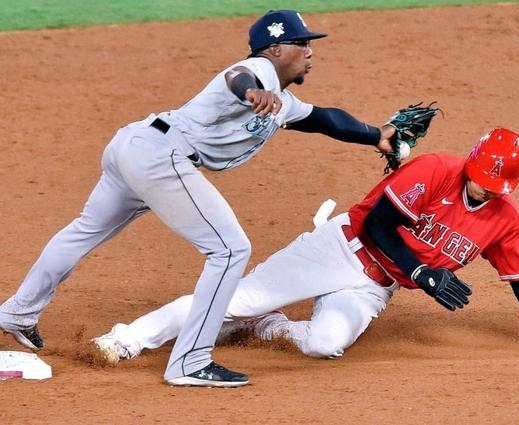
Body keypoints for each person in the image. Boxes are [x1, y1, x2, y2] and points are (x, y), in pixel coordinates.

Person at [0, 9, 399, 388]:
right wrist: (253, 93)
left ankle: (18, 312)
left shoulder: (285, 101)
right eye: (302, 43)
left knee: (85, 230)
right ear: (276, 48)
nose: (310, 51)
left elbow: (325, 119)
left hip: (137, 144)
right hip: (160, 156)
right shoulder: (259, 71)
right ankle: (190, 361)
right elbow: (238, 77)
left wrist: (374, 136)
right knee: (230, 250)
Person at [93, 128, 519, 365]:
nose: (483, 191)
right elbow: (379, 227)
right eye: (480, 181)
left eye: (494, 188)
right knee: (239, 297)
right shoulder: (433, 170)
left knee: (324, 344)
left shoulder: (503, 219)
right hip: (339, 247)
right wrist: (424, 275)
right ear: (469, 164)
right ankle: (126, 339)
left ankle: (270, 326)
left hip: (373, 287)